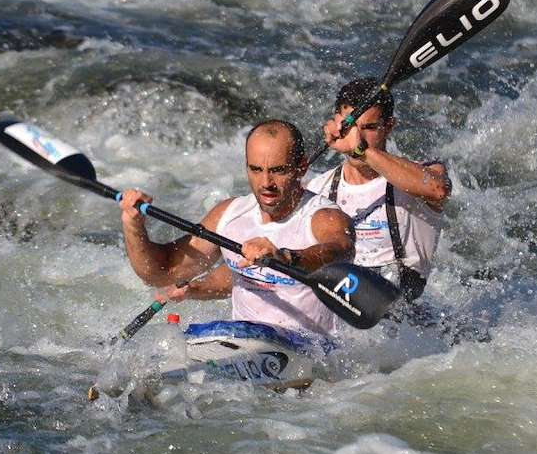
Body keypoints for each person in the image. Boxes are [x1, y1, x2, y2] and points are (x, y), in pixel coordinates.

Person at [118, 120, 354, 335]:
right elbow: (160, 273)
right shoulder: (229, 215)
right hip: (244, 347)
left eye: (278, 170)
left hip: (312, 356)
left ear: (301, 167)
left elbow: (341, 250)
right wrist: (133, 225)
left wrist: (285, 256)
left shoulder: (324, 216)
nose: (266, 183)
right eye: (256, 169)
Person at [306, 77, 450, 302]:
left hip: (405, 320)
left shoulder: (420, 177)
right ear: (336, 124)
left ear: (389, 126)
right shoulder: (318, 189)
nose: (358, 138)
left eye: (369, 128)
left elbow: (438, 190)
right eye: (350, 128)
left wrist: (362, 151)